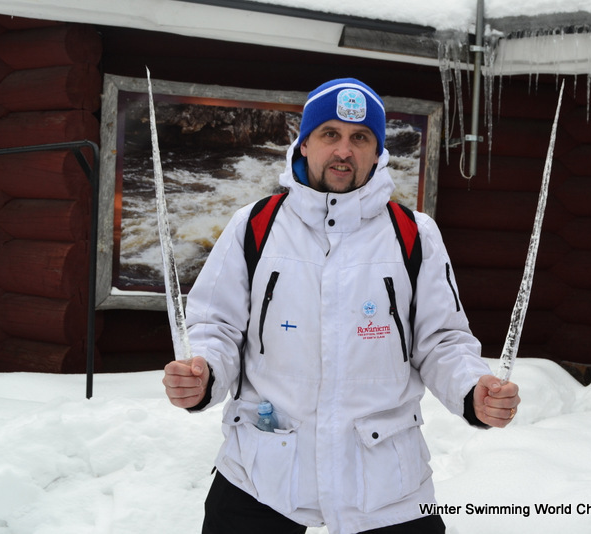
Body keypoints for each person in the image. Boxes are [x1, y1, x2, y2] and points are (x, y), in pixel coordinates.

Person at [163, 78, 521, 534]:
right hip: (261, 472)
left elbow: (441, 341)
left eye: (360, 137)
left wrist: (473, 388)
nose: (344, 150)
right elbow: (215, 326)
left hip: (387, 483)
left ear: (378, 151)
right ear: (305, 143)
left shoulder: (414, 234)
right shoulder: (253, 225)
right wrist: (204, 372)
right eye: (330, 134)